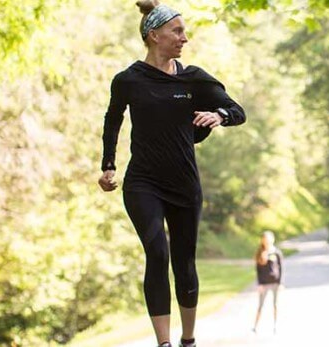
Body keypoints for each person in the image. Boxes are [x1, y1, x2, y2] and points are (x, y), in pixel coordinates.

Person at [97, 1, 246, 346]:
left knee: (184, 260)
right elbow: (112, 120)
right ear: (154, 35)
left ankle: (188, 339)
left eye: (184, 31)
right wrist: (108, 166)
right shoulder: (128, 80)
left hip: (184, 183)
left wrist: (219, 115)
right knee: (157, 253)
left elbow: (237, 110)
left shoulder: (193, 78)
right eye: (177, 31)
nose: (185, 38)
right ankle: (163, 343)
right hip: (142, 182)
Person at [252, 231, 284, 334]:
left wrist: (280, 283)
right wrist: (259, 284)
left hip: (275, 282)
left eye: (268, 239)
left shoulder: (276, 253)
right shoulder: (260, 252)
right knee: (260, 305)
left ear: (272, 240)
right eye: (265, 239)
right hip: (264, 283)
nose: (267, 241)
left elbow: (281, 268)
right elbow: (258, 270)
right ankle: (255, 326)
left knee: (276, 304)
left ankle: (276, 324)